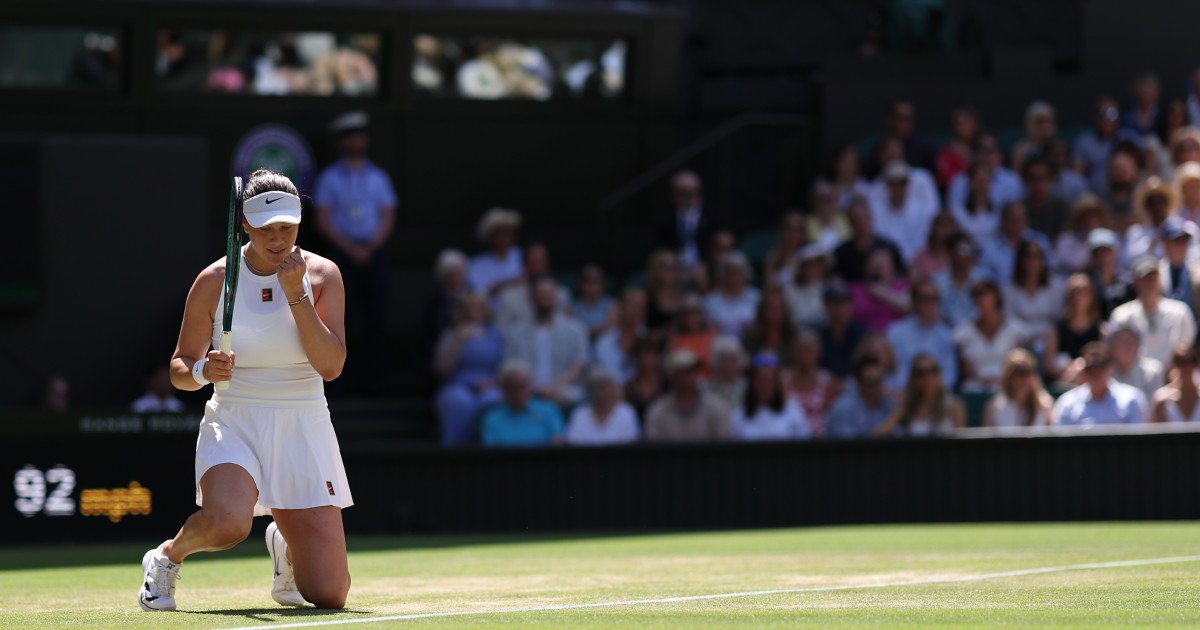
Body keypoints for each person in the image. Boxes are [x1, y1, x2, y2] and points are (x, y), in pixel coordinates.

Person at [141, 169, 351, 612]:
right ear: (244, 226)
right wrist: (202, 369)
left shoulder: (323, 275)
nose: (278, 239)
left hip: (304, 424)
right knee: (228, 524)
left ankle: (285, 547)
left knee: (330, 595)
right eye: (266, 229)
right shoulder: (214, 280)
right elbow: (179, 369)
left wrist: (297, 296)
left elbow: (331, 366)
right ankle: (166, 557)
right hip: (235, 420)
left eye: (287, 228)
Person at [313, 111, 396, 395]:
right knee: (343, 319)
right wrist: (349, 249)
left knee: (377, 316)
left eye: (361, 135)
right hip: (341, 257)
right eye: (351, 136)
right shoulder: (329, 178)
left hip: (373, 255)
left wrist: (372, 246)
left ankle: (376, 383)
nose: (358, 140)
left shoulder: (378, 177)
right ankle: (341, 383)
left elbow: (387, 213)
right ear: (342, 142)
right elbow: (322, 218)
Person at [503, 277, 589, 406]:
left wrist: (554, 388)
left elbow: (578, 365)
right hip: (525, 390)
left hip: (564, 389)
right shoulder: (516, 332)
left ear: (556, 297)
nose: (544, 298)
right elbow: (511, 365)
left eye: (548, 294)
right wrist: (531, 389)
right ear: (532, 298)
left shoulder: (575, 329)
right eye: (540, 294)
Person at [433, 293, 504, 446]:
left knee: (492, 399)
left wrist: (494, 382)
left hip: (491, 384)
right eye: (470, 307)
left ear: (486, 311)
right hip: (457, 384)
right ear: (462, 311)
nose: (474, 311)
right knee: (459, 401)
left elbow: (506, 365)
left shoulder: (498, 335)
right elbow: (441, 369)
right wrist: (458, 341)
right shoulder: (451, 334)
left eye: (479, 307)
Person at [1109, 255, 1196, 368]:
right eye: (1145, 278)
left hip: (1172, 379)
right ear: (1135, 282)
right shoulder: (1121, 315)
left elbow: (1187, 350)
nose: (1150, 283)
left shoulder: (1180, 312)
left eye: (1153, 277)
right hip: (1133, 382)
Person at [954, 280, 1032, 394]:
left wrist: (1003, 380)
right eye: (977, 295)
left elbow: (1021, 361)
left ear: (996, 296)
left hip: (1009, 387)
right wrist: (984, 381)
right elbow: (965, 368)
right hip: (975, 388)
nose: (982, 299)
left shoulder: (1017, 330)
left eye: (986, 294)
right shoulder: (963, 333)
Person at [643, 349, 732, 442]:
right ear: (671, 375)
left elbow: (724, 448)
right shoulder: (657, 411)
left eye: (691, 371)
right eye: (681, 372)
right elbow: (653, 450)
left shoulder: (716, 408)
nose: (686, 377)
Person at [1051, 342, 1147, 425]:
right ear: (1083, 370)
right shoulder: (1067, 403)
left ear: (1111, 367)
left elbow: (1137, 442)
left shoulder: (1131, 400)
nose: (1096, 371)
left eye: (1101, 364)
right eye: (1090, 366)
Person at [885, 280, 957, 388]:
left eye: (934, 299)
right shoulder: (895, 333)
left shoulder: (945, 334)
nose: (931, 304)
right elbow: (893, 373)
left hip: (936, 395)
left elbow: (949, 375)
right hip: (903, 394)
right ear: (914, 302)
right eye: (926, 299)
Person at [872, 354, 965, 437]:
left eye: (932, 371)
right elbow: (877, 435)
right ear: (913, 379)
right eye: (920, 373)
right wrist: (900, 410)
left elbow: (961, 446)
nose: (927, 378)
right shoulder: (907, 406)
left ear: (939, 375)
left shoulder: (955, 406)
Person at [867, 160, 938, 265]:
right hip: (890, 265)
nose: (898, 188)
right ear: (887, 185)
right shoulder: (876, 212)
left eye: (902, 183)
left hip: (917, 264)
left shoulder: (922, 210)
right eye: (894, 184)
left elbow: (923, 242)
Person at [480, 360, 565, 447]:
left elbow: (557, 441)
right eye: (514, 387)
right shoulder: (493, 419)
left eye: (523, 385)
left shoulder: (549, 411)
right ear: (504, 389)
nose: (519, 391)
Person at [494, 242, 570, 335]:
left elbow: (566, 329)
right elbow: (502, 330)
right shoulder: (508, 297)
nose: (538, 266)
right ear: (524, 264)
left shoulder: (561, 294)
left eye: (541, 261)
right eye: (534, 262)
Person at [730, 353, 811, 441]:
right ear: (752, 383)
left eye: (769, 380)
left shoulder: (793, 411)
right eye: (760, 380)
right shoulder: (738, 415)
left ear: (776, 384)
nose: (764, 385)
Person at [654, 170, 722, 273]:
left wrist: (706, 266)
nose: (688, 198)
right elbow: (659, 251)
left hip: (706, 270)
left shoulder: (713, 218)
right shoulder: (664, 220)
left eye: (691, 193)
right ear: (674, 195)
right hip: (673, 271)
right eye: (683, 193)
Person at [1044, 273, 1105, 380]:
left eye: (1084, 293)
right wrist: (1070, 371)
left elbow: (1102, 361)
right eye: (1075, 293)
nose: (1079, 298)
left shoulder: (1100, 330)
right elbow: (1049, 366)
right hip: (1062, 384)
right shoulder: (1057, 329)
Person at [832, 196, 907, 282]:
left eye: (861, 217)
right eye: (853, 218)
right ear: (849, 221)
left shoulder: (889, 248)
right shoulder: (841, 253)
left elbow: (902, 277)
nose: (858, 222)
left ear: (870, 216)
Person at [1073, 96, 1139, 193]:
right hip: (1095, 195)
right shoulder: (1084, 142)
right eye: (1102, 114)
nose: (1107, 120)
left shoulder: (1129, 139)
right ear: (1095, 117)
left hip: (1127, 193)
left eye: (1112, 114)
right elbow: (1076, 175)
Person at [782, 328, 841, 437]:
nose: (804, 355)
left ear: (818, 353)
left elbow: (836, 415)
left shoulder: (829, 382)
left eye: (809, 350)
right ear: (793, 352)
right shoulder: (782, 380)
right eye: (800, 350)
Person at [978, 202, 1052, 287]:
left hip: (1037, 295)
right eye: (1012, 219)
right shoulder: (989, 249)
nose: (1016, 224)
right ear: (1003, 221)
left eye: (1020, 219)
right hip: (1000, 296)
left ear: (1027, 221)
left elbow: (1048, 272)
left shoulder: (1040, 242)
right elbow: (985, 281)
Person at [564, 368, 641, 445]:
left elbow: (630, 444)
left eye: (609, 388)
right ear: (592, 391)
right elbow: (573, 444)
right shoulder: (580, 414)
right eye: (600, 388)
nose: (605, 393)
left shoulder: (626, 412)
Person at [1003, 240, 1064, 337]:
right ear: (1020, 260)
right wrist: (1029, 334)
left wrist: (1045, 334)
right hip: (1019, 340)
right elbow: (1009, 319)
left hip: (1050, 340)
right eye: (1028, 257)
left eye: (1037, 256)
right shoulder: (1009, 289)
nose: (1032, 262)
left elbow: (1059, 317)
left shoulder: (1056, 287)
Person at [825, 355, 895, 438]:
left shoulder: (888, 405)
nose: (877, 386)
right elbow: (850, 448)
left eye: (879, 380)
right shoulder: (842, 409)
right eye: (871, 382)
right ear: (859, 383)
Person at [982, 348, 1053, 428]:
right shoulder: (994, 407)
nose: (1026, 377)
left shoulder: (1045, 405)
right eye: (1020, 372)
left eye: (1029, 371)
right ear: (1009, 377)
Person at [933, 232, 991, 328]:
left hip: (978, 333)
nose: (968, 253)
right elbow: (936, 314)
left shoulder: (984, 278)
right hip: (946, 333)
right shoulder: (938, 282)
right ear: (950, 252)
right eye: (963, 249)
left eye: (970, 249)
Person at [592, 287, 646, 385]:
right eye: (632, 305)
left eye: (640, 306)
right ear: (621, 307)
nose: (636, 310)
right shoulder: (604, 343)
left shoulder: (649, 342)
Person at [849, 247, 911, 332]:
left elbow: (912, 307)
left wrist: (885, 294)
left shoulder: (903, 286)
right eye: (873, 266)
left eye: (881, 267)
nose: (876, 271)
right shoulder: (855, 289)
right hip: (864, 338)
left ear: (891, 269)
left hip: (896, 337)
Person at [817, 280, 868, 379]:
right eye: (836, 303)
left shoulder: (863, 334)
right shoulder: (818, 336)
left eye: (846, 303)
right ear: (826, 306)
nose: (841, 308)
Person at [703, 251, 761, 337]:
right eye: (731, 273)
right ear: (723, 274)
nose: (735, 278)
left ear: (746, 274)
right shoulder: (710, 301)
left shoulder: (756, 297)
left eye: (738, 273)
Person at [1123, 177, 1178, 263]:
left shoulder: (1183, 228)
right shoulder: (1135, 233)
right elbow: (1129, 259)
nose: (1157, 207)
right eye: (1152, 203)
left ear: (1167, 203)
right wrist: (1151, 245)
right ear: (1146, 206)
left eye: (1161, 201)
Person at [1052, 195, 1110, 277]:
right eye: (1087, 216)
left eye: (1096, 216)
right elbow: (1078, 265)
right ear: (1078, 218)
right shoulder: (1065, 240)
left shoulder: (1108, 238)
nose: (1092, 220)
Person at [1156, 216, 1200, 317]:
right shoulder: (1155, 272)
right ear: (1164, 242)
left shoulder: (1197, 271)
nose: (1181, 246)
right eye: (1176, 241)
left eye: (1184, 241)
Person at [950, 160, 1000, 246]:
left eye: (985, 180)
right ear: (970, 182)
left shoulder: (999, 212)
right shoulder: (957, 213)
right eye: (978, 180)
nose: (982, 185)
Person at [741, 287, 796, 365]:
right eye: (771, 308)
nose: (774, 312)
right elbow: (747, 362)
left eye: (778, 308)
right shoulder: (751, 336)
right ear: (762, 310)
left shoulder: (792, 335)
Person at [669, 294, 718, 378]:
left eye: (696, 313)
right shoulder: (675, 339)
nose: (693, 318)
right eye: (689, 314)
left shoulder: (713, 337)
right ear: (682, 317)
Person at [1086, 227, 1132, 318]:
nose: (1103, 258)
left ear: (1115, 253)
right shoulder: (1086, 286)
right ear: (1092, 256)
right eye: (1098, 253)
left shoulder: (1127, 286)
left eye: (1107, 252)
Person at [1022, 155, 1071, 240]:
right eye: (1032, 178)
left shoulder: (1061, 206)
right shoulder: (1021, 207)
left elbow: (1065, 238)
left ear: (1050, 179)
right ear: (1026, 181)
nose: (1037, 183)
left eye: (1041, 178)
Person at [784, 243, 830, 330]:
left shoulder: (831, 287)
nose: (814, 269)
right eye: (810, 265)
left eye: (818, 264)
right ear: (801, 268)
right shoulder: (790, 291)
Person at [1150, 344, 1200, 423]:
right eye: (1180, 362)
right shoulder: (1162, 401)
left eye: (1190, 361)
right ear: (1174, 365)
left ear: (1196, 364)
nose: (1186, 367)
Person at [936, 107, 981, 189]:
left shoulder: (984, 147)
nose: (963, 127)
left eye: (967, 122)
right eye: (959, 123)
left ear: (975, 125)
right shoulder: (946, 152)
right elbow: (945, 180)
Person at [817, 145, 871, 212]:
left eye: (852, 162)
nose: (848, 166)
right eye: (845, 161)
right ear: (836, 163)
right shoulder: (823, 186)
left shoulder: (865, 187)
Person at [624, 338, 667, 419]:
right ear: (636, 359)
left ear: (657, 357)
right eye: (642, 356)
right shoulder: (628, 388)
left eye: (650, 355)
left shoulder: (667, 385)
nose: (646, 361)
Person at [572, 264, 617, 341]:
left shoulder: (611, 304)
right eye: (588, 282)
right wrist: (599, 329)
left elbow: (611, 329)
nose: (592, 286)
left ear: (602, 285)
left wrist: (585, 330)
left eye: (595, 282)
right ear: (581, 284)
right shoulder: (573, 306)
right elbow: (573, 332)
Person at [763, 211, 807, 289]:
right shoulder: (773, 257)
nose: (792, 234)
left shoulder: (809, 254)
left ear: (803, 232)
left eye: (797, 230)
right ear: (782, 230)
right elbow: (770, 288)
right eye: (789, 228)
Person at [910, 211, 958, 280]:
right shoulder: (921, 257)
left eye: (949, 226)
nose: (945, 230)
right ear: (933, 229)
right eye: (942, 226)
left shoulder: (960, 256)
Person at [805, 181, 853, 251]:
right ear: (815, 203)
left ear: (835, 202)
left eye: (828, 199)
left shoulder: (846, 222)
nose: (825, 204)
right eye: (821, 199)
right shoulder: (807, 224)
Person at [1010, 101, 1058, 170]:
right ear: (1030, 124)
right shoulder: (1021, 151)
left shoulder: (1059, 148)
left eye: (1049, 121)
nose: (1047, 126)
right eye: (1041, 122)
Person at [705, 335, 748, 409]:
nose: (730, 364)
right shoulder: (706, 388)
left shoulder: (747, 388)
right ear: (717, 362)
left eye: (734, 360)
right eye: (726, 360)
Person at [1120, 73, 1162, 137]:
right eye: (1143, 91)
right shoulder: (1126, 117)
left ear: (1156, 93)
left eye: (1149, 91)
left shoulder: (1163, 116)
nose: (1146, 96)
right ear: (1137, 92)